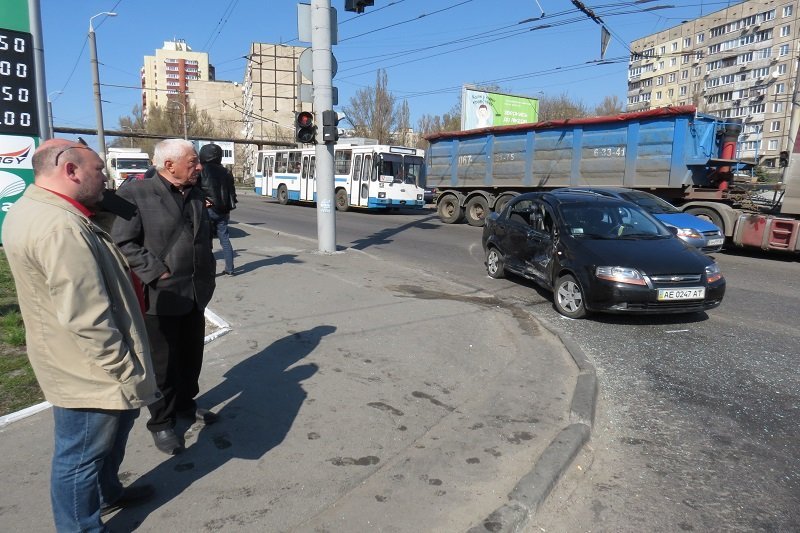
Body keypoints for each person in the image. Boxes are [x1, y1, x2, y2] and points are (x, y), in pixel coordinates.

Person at [1, 139, 159, 531]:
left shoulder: (46, 208)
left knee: (105, 444)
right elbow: (87, 316)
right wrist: (124, 367)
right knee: (81, 457)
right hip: (89, 369)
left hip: (78, 359)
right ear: (70, 171)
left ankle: (108, 494)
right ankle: (80, 526)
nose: (104, 178)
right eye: (97, 170)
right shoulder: (60, 227)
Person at [112, 138, 217, 455]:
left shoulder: (196, 193)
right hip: (159, 296)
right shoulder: (134, 192)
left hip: (197, 292)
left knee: (190, 357)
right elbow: (122, 241)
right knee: (163, 364)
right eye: (193, 161)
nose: (199, 166)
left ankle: (186, 405)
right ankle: (161, 423)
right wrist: (155, 271)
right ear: (169, 165)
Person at [198, 143, 237, 275]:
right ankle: (230, 269)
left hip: (208, 209)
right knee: (224, 239)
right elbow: (232, 192)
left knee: (207, 241)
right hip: (224, 210)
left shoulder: (201, 170)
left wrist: (203, 201)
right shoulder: (226, 171)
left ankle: (208, 271)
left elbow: (195, 189)